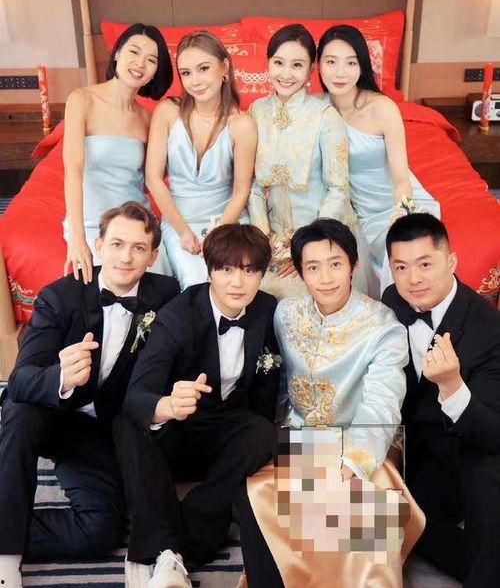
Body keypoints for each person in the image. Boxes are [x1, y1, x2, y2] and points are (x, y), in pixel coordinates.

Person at [236, 218, 425, 588]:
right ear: (299, 272)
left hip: (363, 441)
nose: (325, 278)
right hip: (297, 441)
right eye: (312, 267)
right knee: (255, 493)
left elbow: (383, 402)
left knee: (356, 503)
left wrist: (351, 462)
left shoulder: (382, 326)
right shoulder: (286, 314)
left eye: (335, 264)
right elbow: (278, 386)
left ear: (353, 265)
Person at [0, 202, 179, 588]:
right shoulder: (59, 297)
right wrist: (61, 377)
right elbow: (20, 380)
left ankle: (6, 525)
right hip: (53, 414)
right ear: (98, 246)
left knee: (100, 531)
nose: (125, 257)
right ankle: (6, 557)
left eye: (138, 247)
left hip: (103, 431)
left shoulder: (166, 296)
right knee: (19, 409)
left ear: (153, 256)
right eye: (116, 244)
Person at [113, 224, 280, 588]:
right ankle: (171, 549)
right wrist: (167, 406)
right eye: (226, 269)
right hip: (177, 431)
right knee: (127, 425)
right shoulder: (178, 315)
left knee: (262, 432)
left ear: (262, 274)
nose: (237, 282)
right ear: (209, 271)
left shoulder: (269, 311)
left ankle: (177, 537)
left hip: (226, 432)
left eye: (249, 270)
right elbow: (137, 395)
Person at [383, 213, 500, 588]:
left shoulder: (488, 327)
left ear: (451, 262)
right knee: (389, 515)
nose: (413, 279)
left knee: (485, 472)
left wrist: (452, 385)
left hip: (472, 449)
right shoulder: (391, 302)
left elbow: (491, 433)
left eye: (425, 264)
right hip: (420, 452)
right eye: (401, 267)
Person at [248, 24, 374, 301]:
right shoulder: (256, 111)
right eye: (278, 63)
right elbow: (253, 186)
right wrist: (264, 241)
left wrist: (307, 248)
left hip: (319, 240)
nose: (286, 74)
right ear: (267, 63)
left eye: (297, 65)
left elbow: (338, 189)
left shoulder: (325, 116)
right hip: (270, 244)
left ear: (310, 70)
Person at [317, 24, 440, 294]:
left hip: (400, 202)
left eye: (351, 62)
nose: (340, 72)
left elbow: (401, 179)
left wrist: (401, 219)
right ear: (318, 65)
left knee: (405, 254)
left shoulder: (382, 108)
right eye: (331, 62)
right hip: (360, 213)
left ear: (362, 66)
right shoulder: (316, 109)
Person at [63, 23, 174, 283]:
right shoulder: (82, 100)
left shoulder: (148, 118)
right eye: (134, 52)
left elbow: (156, 176)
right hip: (93, 221)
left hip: (136, 221)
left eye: (151, 60)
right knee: (105, 287)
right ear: (117, 54)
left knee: (159, 287)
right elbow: (73, 171)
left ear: (155, 71)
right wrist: (78, 237)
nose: (140, 64)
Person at [146, 31, 257, 290]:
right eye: (186, 73)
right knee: (195, 281)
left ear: (224, 67)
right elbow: (153, 179)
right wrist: (183, 232)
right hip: (178, 221)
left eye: (203, 68)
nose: (195, 81)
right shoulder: (167, 112)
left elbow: (241, 191)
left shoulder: (242, 124)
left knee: (228, 281)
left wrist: (217, 235)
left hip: (227, 222)